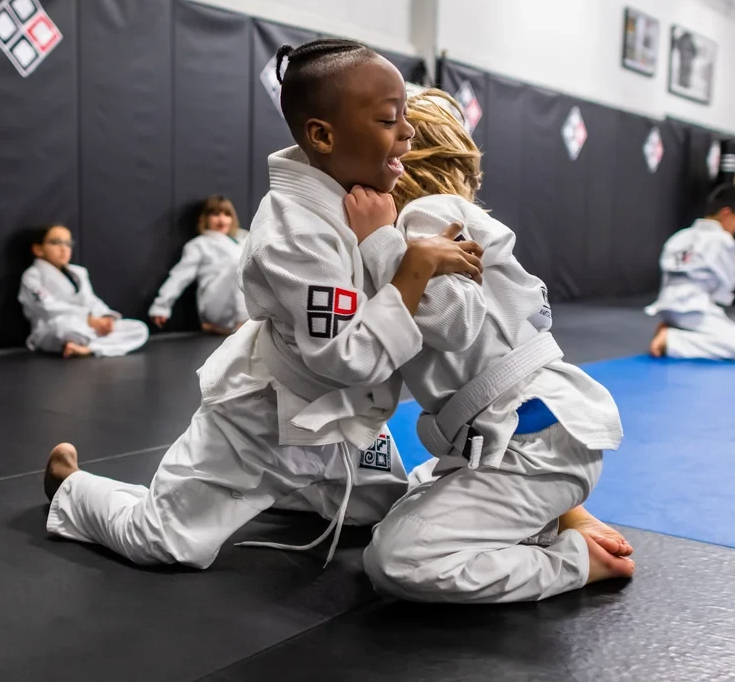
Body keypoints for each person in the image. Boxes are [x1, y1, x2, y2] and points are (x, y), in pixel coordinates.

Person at [40, 39, 483, 569]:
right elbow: (345, 359)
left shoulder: (374, 203)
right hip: (259, 419)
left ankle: (293, 487)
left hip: (344, 421)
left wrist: (392, 243)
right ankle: (72, 485)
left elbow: (455, 328)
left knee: (377, 511)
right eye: (391, 120)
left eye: (405, 117)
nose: (408, 132)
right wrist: (410, 270)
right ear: (323, 135)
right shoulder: (291, 233)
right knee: (168, 543)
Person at [356, 88, 632, 603]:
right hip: (526, 436)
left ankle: (576, 561)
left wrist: (376, 239)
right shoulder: (436, 221)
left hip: (531, 445)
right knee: (404, 491)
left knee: (395, 558)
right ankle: (558, 514)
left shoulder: (426, 218)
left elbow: (446, 320)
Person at [646, 186, 735, 361]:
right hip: (693, 306)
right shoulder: (722, 240)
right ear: (726, 213)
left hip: (666, 305)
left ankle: (674, 328)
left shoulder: (680, 236)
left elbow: (666, 274)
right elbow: (728, 284)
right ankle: (671, 340)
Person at [18, 224, 149, 358]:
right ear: (38, 249)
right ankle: (93, 344)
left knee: (139, 329)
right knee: (66, 329)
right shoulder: (32, 275)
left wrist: (105, 318)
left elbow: (91, 300)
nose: (63, 249)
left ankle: (88, 348)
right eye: (56, 243)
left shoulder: (79, 273)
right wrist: (88, 319)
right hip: (55, 328)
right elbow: (47, 307)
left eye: (68, 244)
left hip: (88, 326)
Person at [149, 195, 248, 336]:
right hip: (216, 303)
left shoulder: (244, 240)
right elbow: (180, 276)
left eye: (226, 214)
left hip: (247, 302)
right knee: (241, 265)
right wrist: (161, 306)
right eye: (215, 214)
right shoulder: (199, 245)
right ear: (205, 218)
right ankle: (242, 327)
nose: (221, 220)